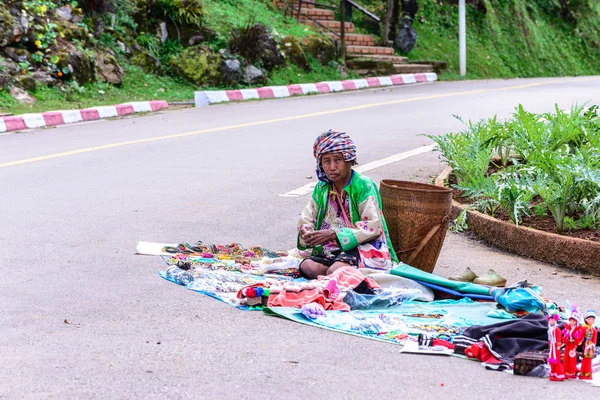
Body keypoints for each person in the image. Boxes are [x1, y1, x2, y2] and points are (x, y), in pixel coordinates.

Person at [297, 130, 398, 279]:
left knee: (335, 271)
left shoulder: (363, 185)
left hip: (363, 247)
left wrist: (334, 234)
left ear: (349, 160)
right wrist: (307, 230)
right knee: (307, 266)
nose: (332, 167)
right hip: (332, 250)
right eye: (326, 161)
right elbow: (308, 214)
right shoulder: (322, 187)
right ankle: (340, 278)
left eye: (338, 160)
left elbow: (373, 225)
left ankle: (336, 277)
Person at [562, 310, 584, 379]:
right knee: (566, 357)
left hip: (573, 346)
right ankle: (565, 370)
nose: (572, 322)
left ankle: (571, 371)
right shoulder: (568, 328)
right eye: (571, 320)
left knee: (572, 358)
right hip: (568, 345)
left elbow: (579, 339)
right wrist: (566, 340)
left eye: (573, 321)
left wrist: (574, 342)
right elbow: (564, 336)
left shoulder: (578, 329)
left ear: (576, 322)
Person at [546, 311, 565, 381]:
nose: (551, 321)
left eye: (552, 320)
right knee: (551, 359)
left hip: (556, 346)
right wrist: (549, 343)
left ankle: (559, 374)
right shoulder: (550, 329)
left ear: (555, 321)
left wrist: (558, 345)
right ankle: (553, 372)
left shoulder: (557, 329)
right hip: (552, 346)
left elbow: (559, 337)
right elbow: (550, 338)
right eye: (550, 320)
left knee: (556, 359)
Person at [579, 310, 597, 380]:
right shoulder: (583, 328)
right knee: (584, 360)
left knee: (589, 360)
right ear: (586, 320)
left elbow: (594, 338)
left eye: (592, 319)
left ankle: (588, 373)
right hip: (585, 346)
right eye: (589, 319)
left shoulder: (593, 329)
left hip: (591, 347)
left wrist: (593, 345)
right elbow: (580, 336)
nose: (591, 321)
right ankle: (583, 372)